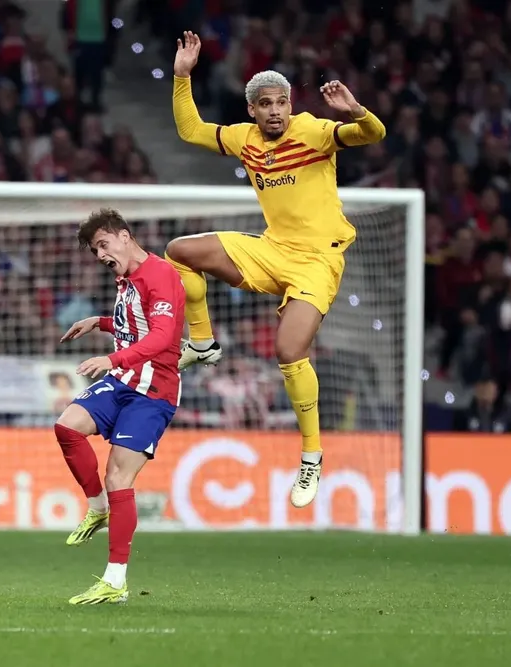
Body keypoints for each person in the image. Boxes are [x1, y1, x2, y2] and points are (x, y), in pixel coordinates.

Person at [167, 31, 386, 508]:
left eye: (281, 102)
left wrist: (356, 113)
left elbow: (372, 136)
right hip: (271, 251)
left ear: (291, 105)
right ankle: (202, 342)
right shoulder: (246, 140)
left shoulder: (314, 131)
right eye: (265, 104)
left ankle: (311, 458)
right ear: (252, 110)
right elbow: (191, 130)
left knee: (289, 349)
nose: (274, 111)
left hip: (318, 260)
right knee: (179, 250)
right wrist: (182, 76)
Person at [54, 208, 186, 604]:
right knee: (67, 426)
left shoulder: (160, 275)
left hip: (152, 391)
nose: (100, 255)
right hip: (125, 379)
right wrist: (99, 321)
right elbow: (137, 322)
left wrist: (111, 359)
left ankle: (115, 581)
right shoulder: (127, 278)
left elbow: (163, 336)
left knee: (118, 479)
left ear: (125, 236)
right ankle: (97, 508)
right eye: (96, 250)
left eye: (103, 244)